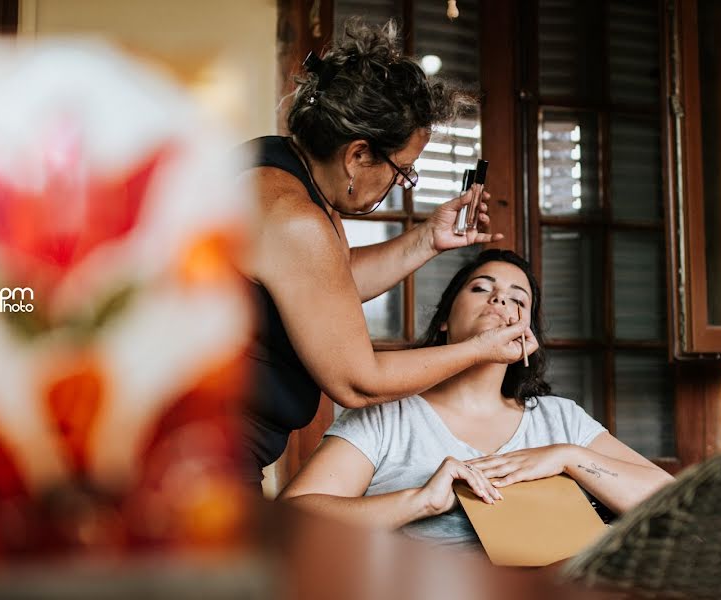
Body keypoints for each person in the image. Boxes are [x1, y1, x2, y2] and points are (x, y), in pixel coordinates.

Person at [235, 21, 534, 485]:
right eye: (403, 170)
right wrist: (479, 350)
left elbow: (324, 284)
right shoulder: (293, 216)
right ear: (357, 155)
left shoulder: (282, 167)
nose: (401, 182)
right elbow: (359, 380)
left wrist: (426, 239)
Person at [279, 249, 674, 548]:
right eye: (481, 288)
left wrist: (569, 457)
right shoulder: (387, 415)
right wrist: (421, 501)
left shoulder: (561, 420)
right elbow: (287, 522)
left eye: (518, 299)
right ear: (445, 319)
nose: (500, 300)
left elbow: (672, 502)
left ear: (527, 335)